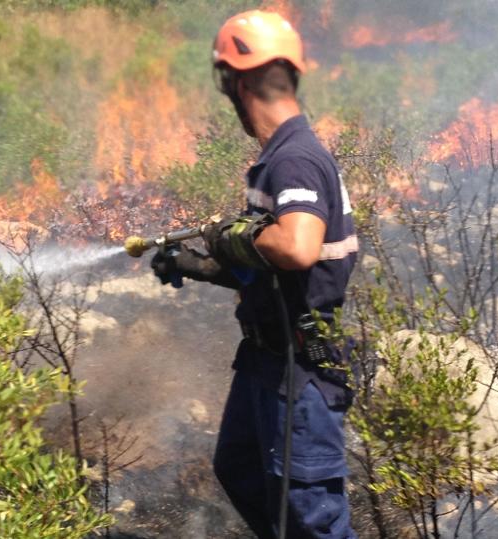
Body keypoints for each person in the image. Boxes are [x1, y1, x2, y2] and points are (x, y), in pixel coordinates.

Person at [151, 9, 357, 538]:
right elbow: (275, 269)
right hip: (267, 360)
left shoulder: (295, 160)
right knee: (240, 468)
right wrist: (202, 265)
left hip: (302, 372)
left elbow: (297, 247)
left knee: (310, 517)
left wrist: (232, 236)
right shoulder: (278, 159)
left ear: (235, 82)